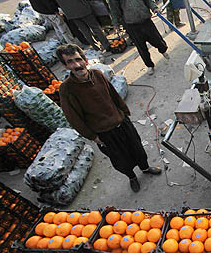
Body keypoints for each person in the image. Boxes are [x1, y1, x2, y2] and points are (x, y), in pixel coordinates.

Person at [56, 44, 162, 192]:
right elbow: (73, 118)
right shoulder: (67, 89)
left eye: (78, 59)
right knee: (121, 160)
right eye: (70, 62)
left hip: (121, 122)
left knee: (137, 149)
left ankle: (145, 168)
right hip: (104, 133)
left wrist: (125, 113)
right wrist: (93, 137)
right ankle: (131, 177)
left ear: (85, 60)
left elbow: (113, 94)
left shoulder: (97, 74)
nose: (77, 65)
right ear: (65, 66)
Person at [107, 0, 170, 75]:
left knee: (157, 39)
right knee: (141, 47)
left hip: (146, 19)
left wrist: (154, 7)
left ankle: (163, 50)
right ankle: (149, 65)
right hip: (131, 24)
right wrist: (116, 24)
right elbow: (114, 9)